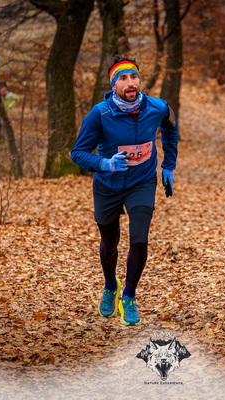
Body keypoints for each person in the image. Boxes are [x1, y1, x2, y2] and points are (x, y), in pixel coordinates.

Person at [71, 56, 179, 326]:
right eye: (123, 78)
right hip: (108, 185)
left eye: (134, 77)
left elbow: (170, 127)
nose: (130, 83)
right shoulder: (100, 114)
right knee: (110, 243)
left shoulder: (157, 107)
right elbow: (78, 153)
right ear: (113, 85)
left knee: (139, 241)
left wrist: (169, 165)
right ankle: (111, 286)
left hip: (142, 182)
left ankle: (129, 296)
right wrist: (104, 163)